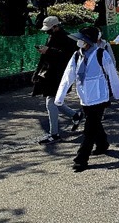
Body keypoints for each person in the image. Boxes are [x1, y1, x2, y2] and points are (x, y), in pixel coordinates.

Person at [55, 26, 119, 172]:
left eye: (82, 39)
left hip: (99, 96)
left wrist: (117, 93)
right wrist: (60, 96)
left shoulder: (101, 54)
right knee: (94, 123)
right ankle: (102, 143)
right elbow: (68, 76)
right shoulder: (76, 55)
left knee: (89, 128)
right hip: (85, 96)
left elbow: (112, 74)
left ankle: (81, 159)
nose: (80, 42)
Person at [31, 16, 83, 144]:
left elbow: (67, 56)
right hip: (50, 74)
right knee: (55, 101)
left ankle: (54, 134)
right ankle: (75, 115)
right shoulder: (53, 36)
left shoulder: (67, 38)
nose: (47, 31)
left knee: (51, 102)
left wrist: (49, 51)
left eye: (49, 28)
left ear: (56, 26)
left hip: (60, 74)